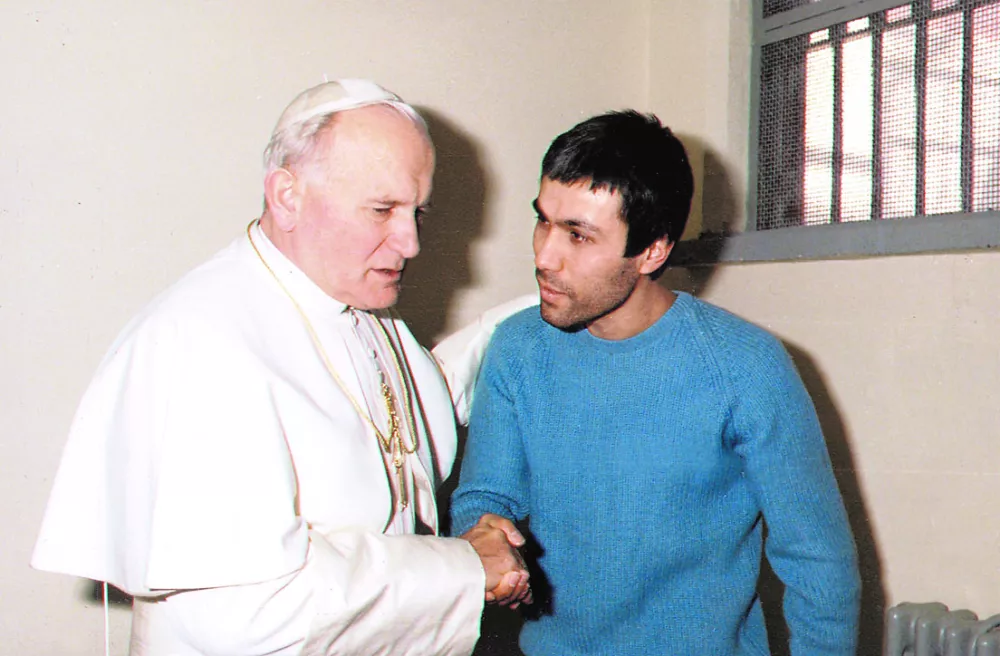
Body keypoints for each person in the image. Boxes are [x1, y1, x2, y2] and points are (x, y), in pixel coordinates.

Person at [32, 79, 532, 656]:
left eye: (417, 211)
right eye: (382, 210)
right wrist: (464, 568)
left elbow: (404, 419)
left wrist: (532, 313)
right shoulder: (201, 344)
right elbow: (254, 610)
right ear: (287, 196)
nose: (411, 242)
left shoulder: (353, 302)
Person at [450, 110, 861, 655]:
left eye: (578, 235)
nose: (545, 256)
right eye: (543, 221)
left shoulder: (746, 366)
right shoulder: (516, 348)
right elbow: (484, 497)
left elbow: (818, 565)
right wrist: (486, 534)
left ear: (652, 251)